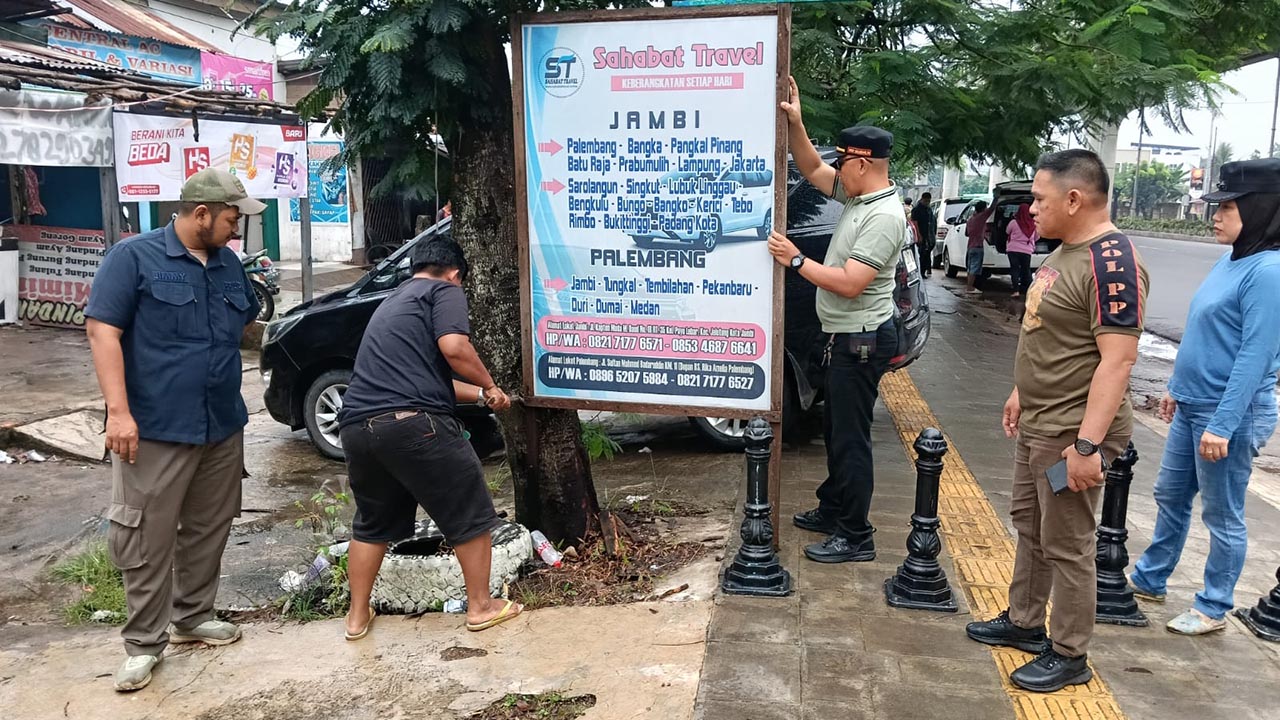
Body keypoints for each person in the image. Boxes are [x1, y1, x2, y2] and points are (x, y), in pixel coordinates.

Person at [964, 149, 1149, 692]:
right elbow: (1053, 332)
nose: (1032, 211)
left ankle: (1069, 652)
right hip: (1042, 424)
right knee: (1031, 523)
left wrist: (1088, 448)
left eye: (1040, 201)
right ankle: (1024, 621)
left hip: (1073, 433)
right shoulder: (1065, 251)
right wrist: (1022, 389)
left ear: (1074, 198)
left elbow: (1117, 360)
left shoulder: (1111, 263)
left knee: (1069, 542)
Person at [85, 169, 265, 692]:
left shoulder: (229, 263)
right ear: (202, 213)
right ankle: (143, 643)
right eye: (233, 218)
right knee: (145, 535)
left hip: (221, 422)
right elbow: (103, 331)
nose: (237, 229)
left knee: (210, 525)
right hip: (155, 427)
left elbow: (243, 329)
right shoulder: (133, 258)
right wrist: (118, 412)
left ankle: (192, 616)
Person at [337, 238, 520, 640]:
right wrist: (488, 380)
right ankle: (480, 606)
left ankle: (356, 616)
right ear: (455, 273)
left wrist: (483, 396)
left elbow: (424, 381)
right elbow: (454, 348)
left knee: (372, 524)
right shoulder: (444, 290)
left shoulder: (394, 302)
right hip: (413, 425)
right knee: (469, 509)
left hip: (359, 429)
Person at [1129, 158, 1280, 635]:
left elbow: (1254, 358)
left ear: (1260, 210)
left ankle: (1214, 605)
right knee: (1170, 494)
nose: (1214, 216)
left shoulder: (1270, 271)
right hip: (1194, 404)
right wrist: (1176, 387)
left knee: (1222, 511)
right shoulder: (1231, 257)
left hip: (1229, 413)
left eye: (1227, 208)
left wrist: (1223, 424)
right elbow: (1202, 333)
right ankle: (1151, 577)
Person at [770, 76, 906, 563]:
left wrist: (796, 260)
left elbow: (851, 282)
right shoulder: (858, 197)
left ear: (863, 163)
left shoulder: (884, 216)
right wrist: (796, 121)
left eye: (843, 162)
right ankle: (833, 506)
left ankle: (856, 534)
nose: (836, 170)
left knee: (851, 439)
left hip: (862, 340)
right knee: (835, 432)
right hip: (844, 338)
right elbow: (808, 167)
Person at [1006, 203, 1039, 298]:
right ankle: (1029, 291)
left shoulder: (1013, 222)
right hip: (1027, 250)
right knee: (1026, 270)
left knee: (1015, 269)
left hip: (1013, 249)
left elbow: (1007, 231)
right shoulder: (1033, 224)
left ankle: (1016, 291)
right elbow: (1036, 237)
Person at [964, 201, 994, 294]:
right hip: (978, 246)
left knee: (970, 268)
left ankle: (970, 286)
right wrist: (996, 196)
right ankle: (970, 288)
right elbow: (992, 209)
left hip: (970, 246)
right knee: (974, 268)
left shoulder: (970, 219)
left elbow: (967, 233)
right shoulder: (981, 217)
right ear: (983, 209)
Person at [912, 192, 937, 277]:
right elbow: (915, 223)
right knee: (921, 255)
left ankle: (924, 271)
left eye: (928, 201)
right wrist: (919, 235)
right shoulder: (917, 209)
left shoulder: (928, 209)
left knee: (926, 254)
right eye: (926, 201)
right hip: (921, 234)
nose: (927, 203)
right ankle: (920, 272)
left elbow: (932, 222)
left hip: (928, 235)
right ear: (922, 199)